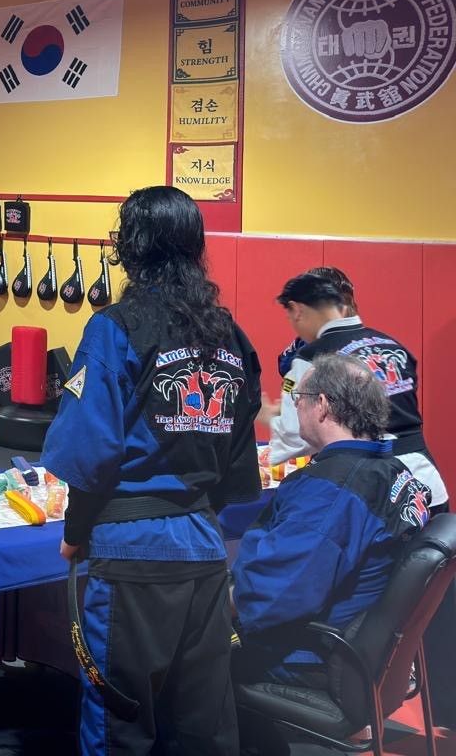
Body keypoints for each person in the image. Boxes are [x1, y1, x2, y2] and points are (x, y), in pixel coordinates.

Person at [42, 185, 261, 756]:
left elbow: (90, 452)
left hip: (133, 549)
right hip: (205, 548)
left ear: (132, 248)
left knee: (122, 717)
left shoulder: (115, 327)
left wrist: (74, 531)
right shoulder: (230, 336)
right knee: (202, 721)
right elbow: (239, 458)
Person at [231, 355, 432, 692]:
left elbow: (273, 595)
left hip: (308, 658)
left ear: (321, 405)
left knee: (185, 663)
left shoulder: (330, 492)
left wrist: (215, 603)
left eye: (298, 400)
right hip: (371, 652)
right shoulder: (393, 470)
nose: (295, 410)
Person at [268, 270, 445, 507]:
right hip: (425, 479)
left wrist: (269, 417)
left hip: (372, 487)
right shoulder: (392, 345)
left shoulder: (313, 357)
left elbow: (297, 437)